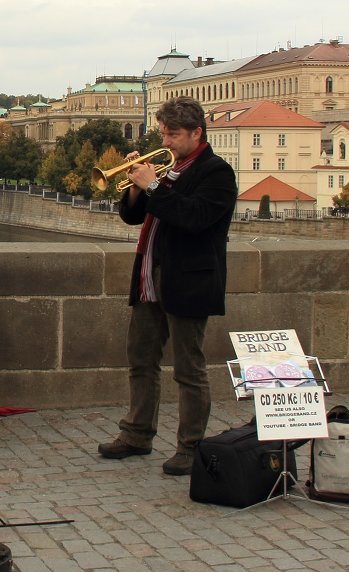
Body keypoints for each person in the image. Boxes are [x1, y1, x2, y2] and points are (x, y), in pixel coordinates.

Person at [97, 96, 238, 476]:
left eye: (173, 135)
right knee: (141, 360)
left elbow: (193, 218)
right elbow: (132, 216)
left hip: (188, 280)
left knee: (189, 369)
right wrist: (135, 185)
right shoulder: (169, 170)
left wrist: (154, 185)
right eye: (163, 133)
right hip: (149, 276)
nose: (167, 141)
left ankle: (190, 449)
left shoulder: (216, 172)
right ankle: (137, 434)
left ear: (197, 132)